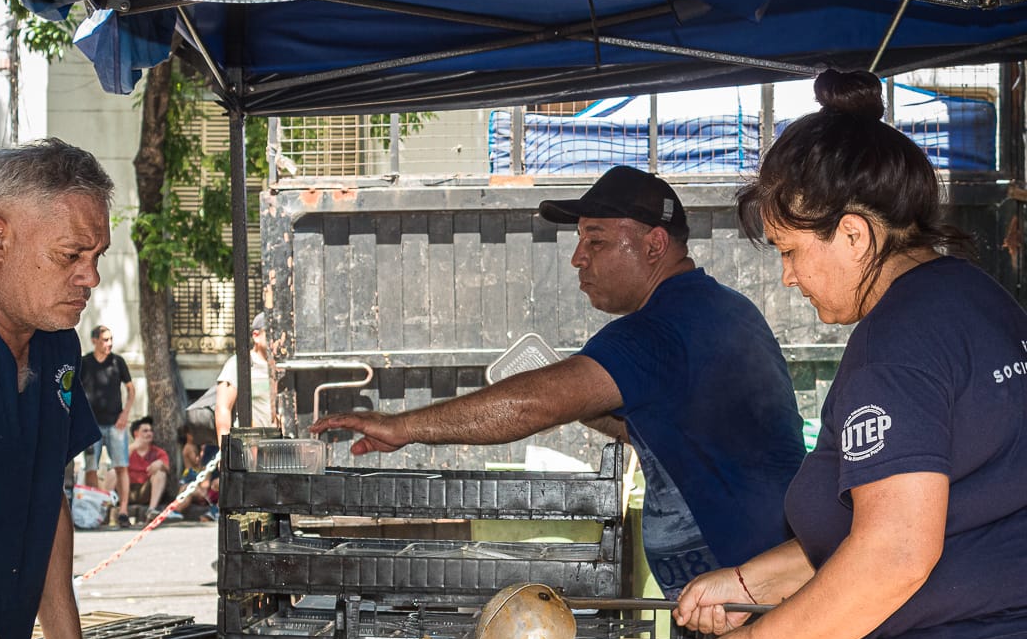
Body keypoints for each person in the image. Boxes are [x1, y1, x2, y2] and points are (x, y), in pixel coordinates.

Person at [655, 70, 1027, 639]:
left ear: (854, 235)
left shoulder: (898, 342)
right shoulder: (977, 300)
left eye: (791, 251)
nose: (788, 279)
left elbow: (893, 553)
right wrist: (751, 584)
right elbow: (920, 514)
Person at [311, 165, 805, 595]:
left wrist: (404, 427)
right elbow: (668, 433)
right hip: (748, 587)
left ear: (654, 244)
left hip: (749, 597)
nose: (577, 258)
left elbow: (531, 407)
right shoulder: (719, 308)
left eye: (596, 240)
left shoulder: (657, 328)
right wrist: (581, 402)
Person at [0, 138, 156, 639]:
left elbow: (47, 497)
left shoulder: (55, 340)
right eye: (71, 254)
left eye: (96, 254)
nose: (90, 277)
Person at [78, 324, 135, 527]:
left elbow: (131, 390)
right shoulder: (84, 362)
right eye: (105, 339)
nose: (109, 343)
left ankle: (123, 511)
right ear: (94, 341)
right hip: (92, 425)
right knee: (91, 467)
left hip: (115, 424)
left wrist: (125, 414)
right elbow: (75, 391)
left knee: (121, 466)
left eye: (111, 339)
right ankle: (96, 509)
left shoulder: (117, 362)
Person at [214, 311, 273, 445]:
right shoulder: (238, 364)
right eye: (270, 332)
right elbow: (223, 409)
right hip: (250, 447)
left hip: (280, 449)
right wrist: (225, 451)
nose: (276, 337)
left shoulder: (282, 365)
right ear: (256, 336)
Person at [126, 417, 183, 522]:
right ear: (136, 434)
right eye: (145, 431)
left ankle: (151, 510)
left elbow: (167, 469)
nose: (149, 433)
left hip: (145, 491)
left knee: (160, 473)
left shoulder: (158, 452)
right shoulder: (128, 449)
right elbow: (118, 465)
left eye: (151, 431)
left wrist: (161, 464)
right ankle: (109, 507)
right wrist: (133, 447)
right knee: (112, 473)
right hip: (128, 490)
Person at [172, 424, 218, 520]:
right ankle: (175, 510)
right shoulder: (189, 447)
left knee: (187, 488)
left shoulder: (202, 448)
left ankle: (176, 510)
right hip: (194, 475)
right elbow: (197, 463)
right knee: (186, 488)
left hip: (208, 485)